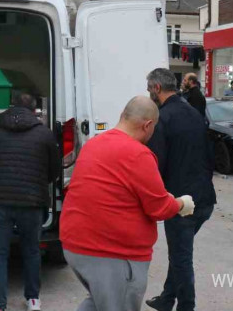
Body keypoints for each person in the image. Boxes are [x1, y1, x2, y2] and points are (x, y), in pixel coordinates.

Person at [60, 96, 194, 311]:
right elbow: (159, 207)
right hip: (111, 253)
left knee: (99, 302)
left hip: (76, 246)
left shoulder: (95, 144)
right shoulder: (138, 154)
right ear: (148, 125)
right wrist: (181, 203)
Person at [145, 69, 215, 311]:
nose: (148, 92)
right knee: (179, 253)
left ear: (156, 88)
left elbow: (156, 165)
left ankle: (186, 306)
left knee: (181, 258)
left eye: (148, 88)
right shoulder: (193, 112)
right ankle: (166, 299)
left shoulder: (163, 118)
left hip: (181, 203)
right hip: (205, 199)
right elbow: (210, 155)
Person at [0, 91, 61, 311]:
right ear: (35, 110)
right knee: (31, 251)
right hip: (32, 200)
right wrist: (38, 182)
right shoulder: (44, 134)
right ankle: (33, 300)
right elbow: (54, 171)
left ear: (11, 107)